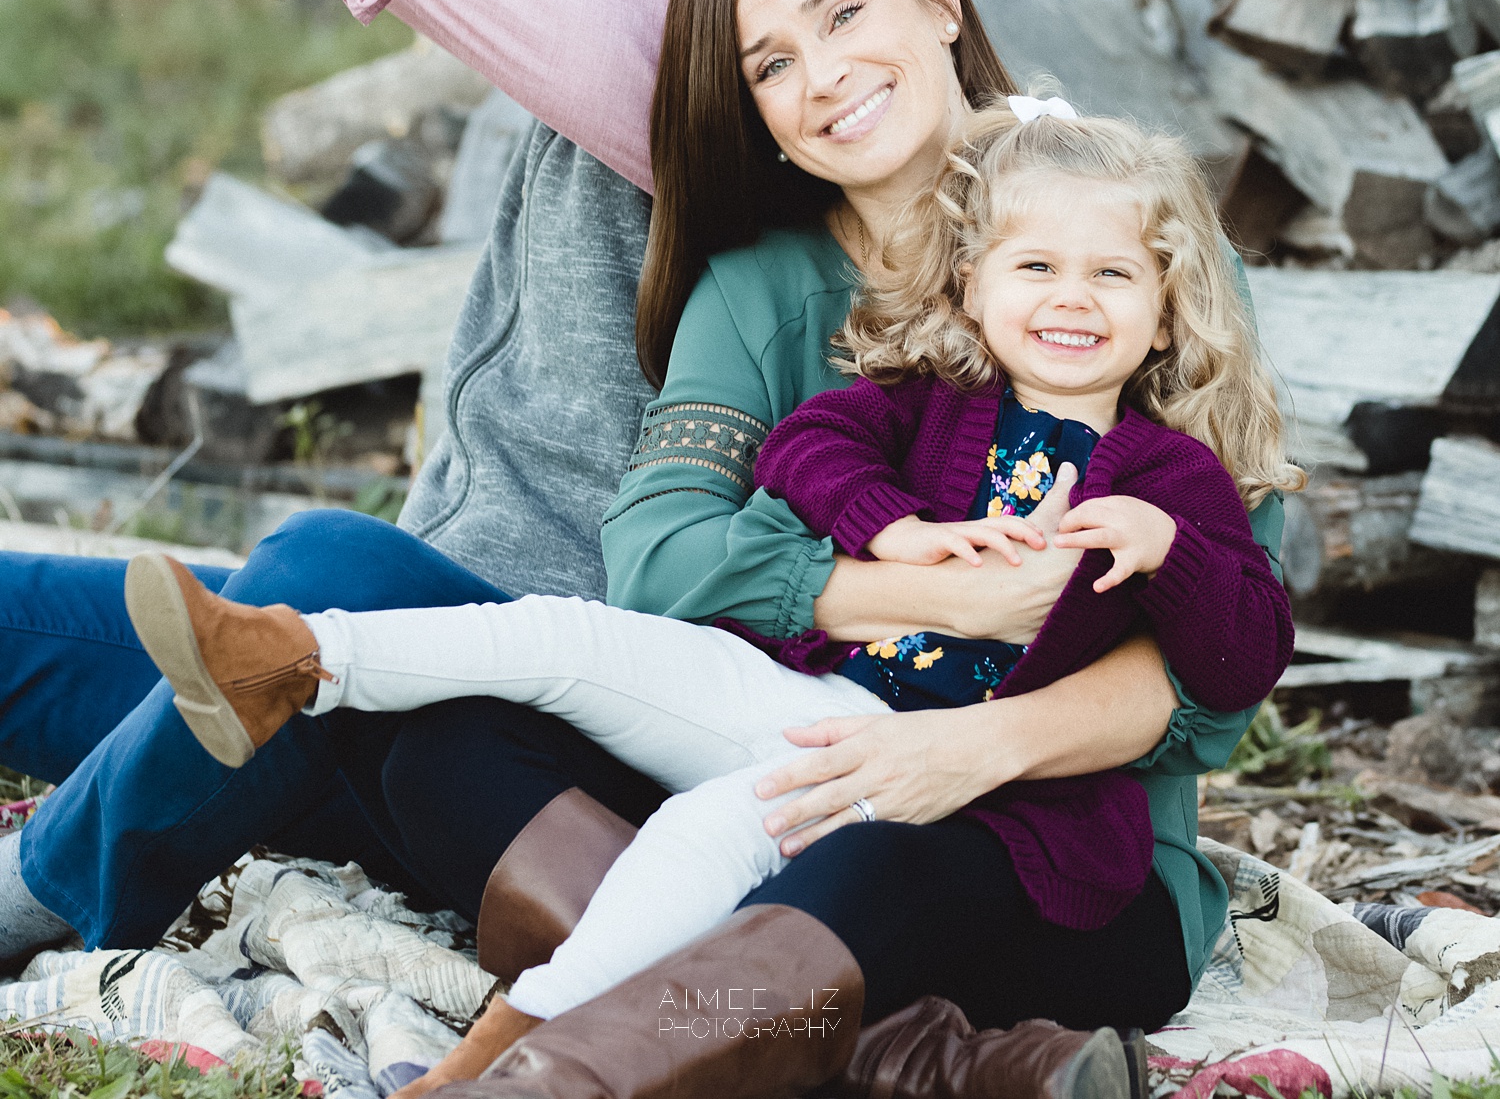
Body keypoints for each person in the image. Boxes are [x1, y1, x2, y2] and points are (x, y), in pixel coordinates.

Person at [0, 0, 1272, 1098]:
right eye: (779, 47)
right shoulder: (726, 64)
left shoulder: (749, 117)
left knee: (329, 610)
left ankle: (56, 889)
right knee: (166, 630)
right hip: (489, 632)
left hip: (588, 692)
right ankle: (850, 1018)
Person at [125, 88, 1297, 1088]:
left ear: (1163, 310)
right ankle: (292, 659)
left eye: (1111, 276)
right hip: (817, 709)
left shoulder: (1170, 474)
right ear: (976, 287)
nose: (1070, 299)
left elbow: (1245, 653)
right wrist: (890, 536)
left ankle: (519, 1070)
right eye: (1036, 266)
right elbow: (806, 452)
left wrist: (1172, 549)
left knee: (697, 840)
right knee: (572, 638)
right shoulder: (931, 405)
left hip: (939, 788)